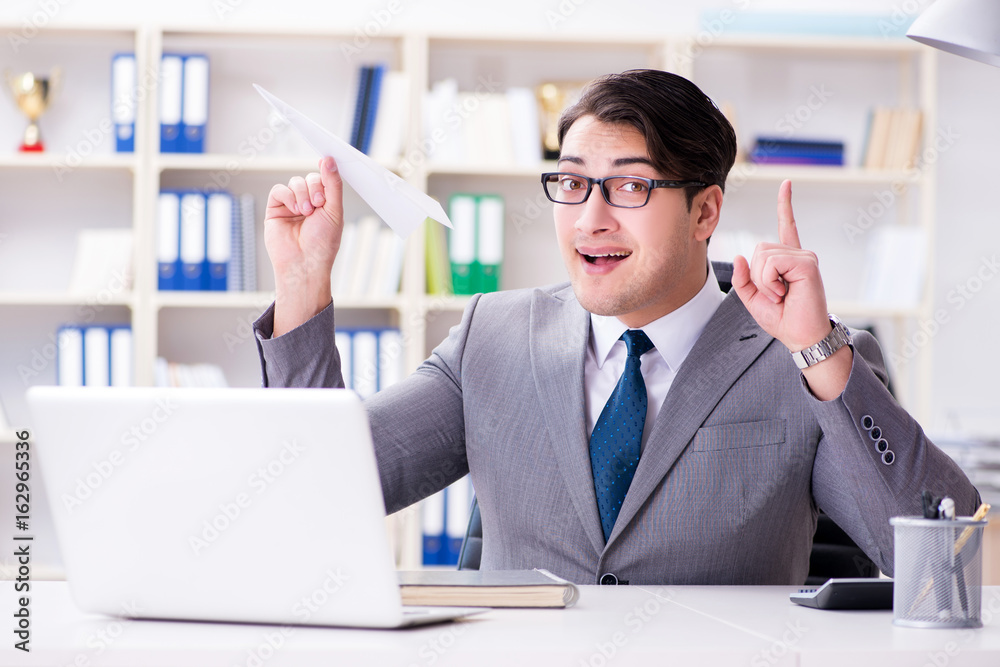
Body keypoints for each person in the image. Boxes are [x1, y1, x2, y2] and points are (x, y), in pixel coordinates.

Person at [252, 69, 978, 585]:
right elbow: (321, 486)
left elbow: (941, 558)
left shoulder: (799, 355)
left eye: (630, 185)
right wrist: (303, 287)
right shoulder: (491, 336)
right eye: (571, 183)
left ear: (705, 213)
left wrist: (820, 353)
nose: (590, 216)